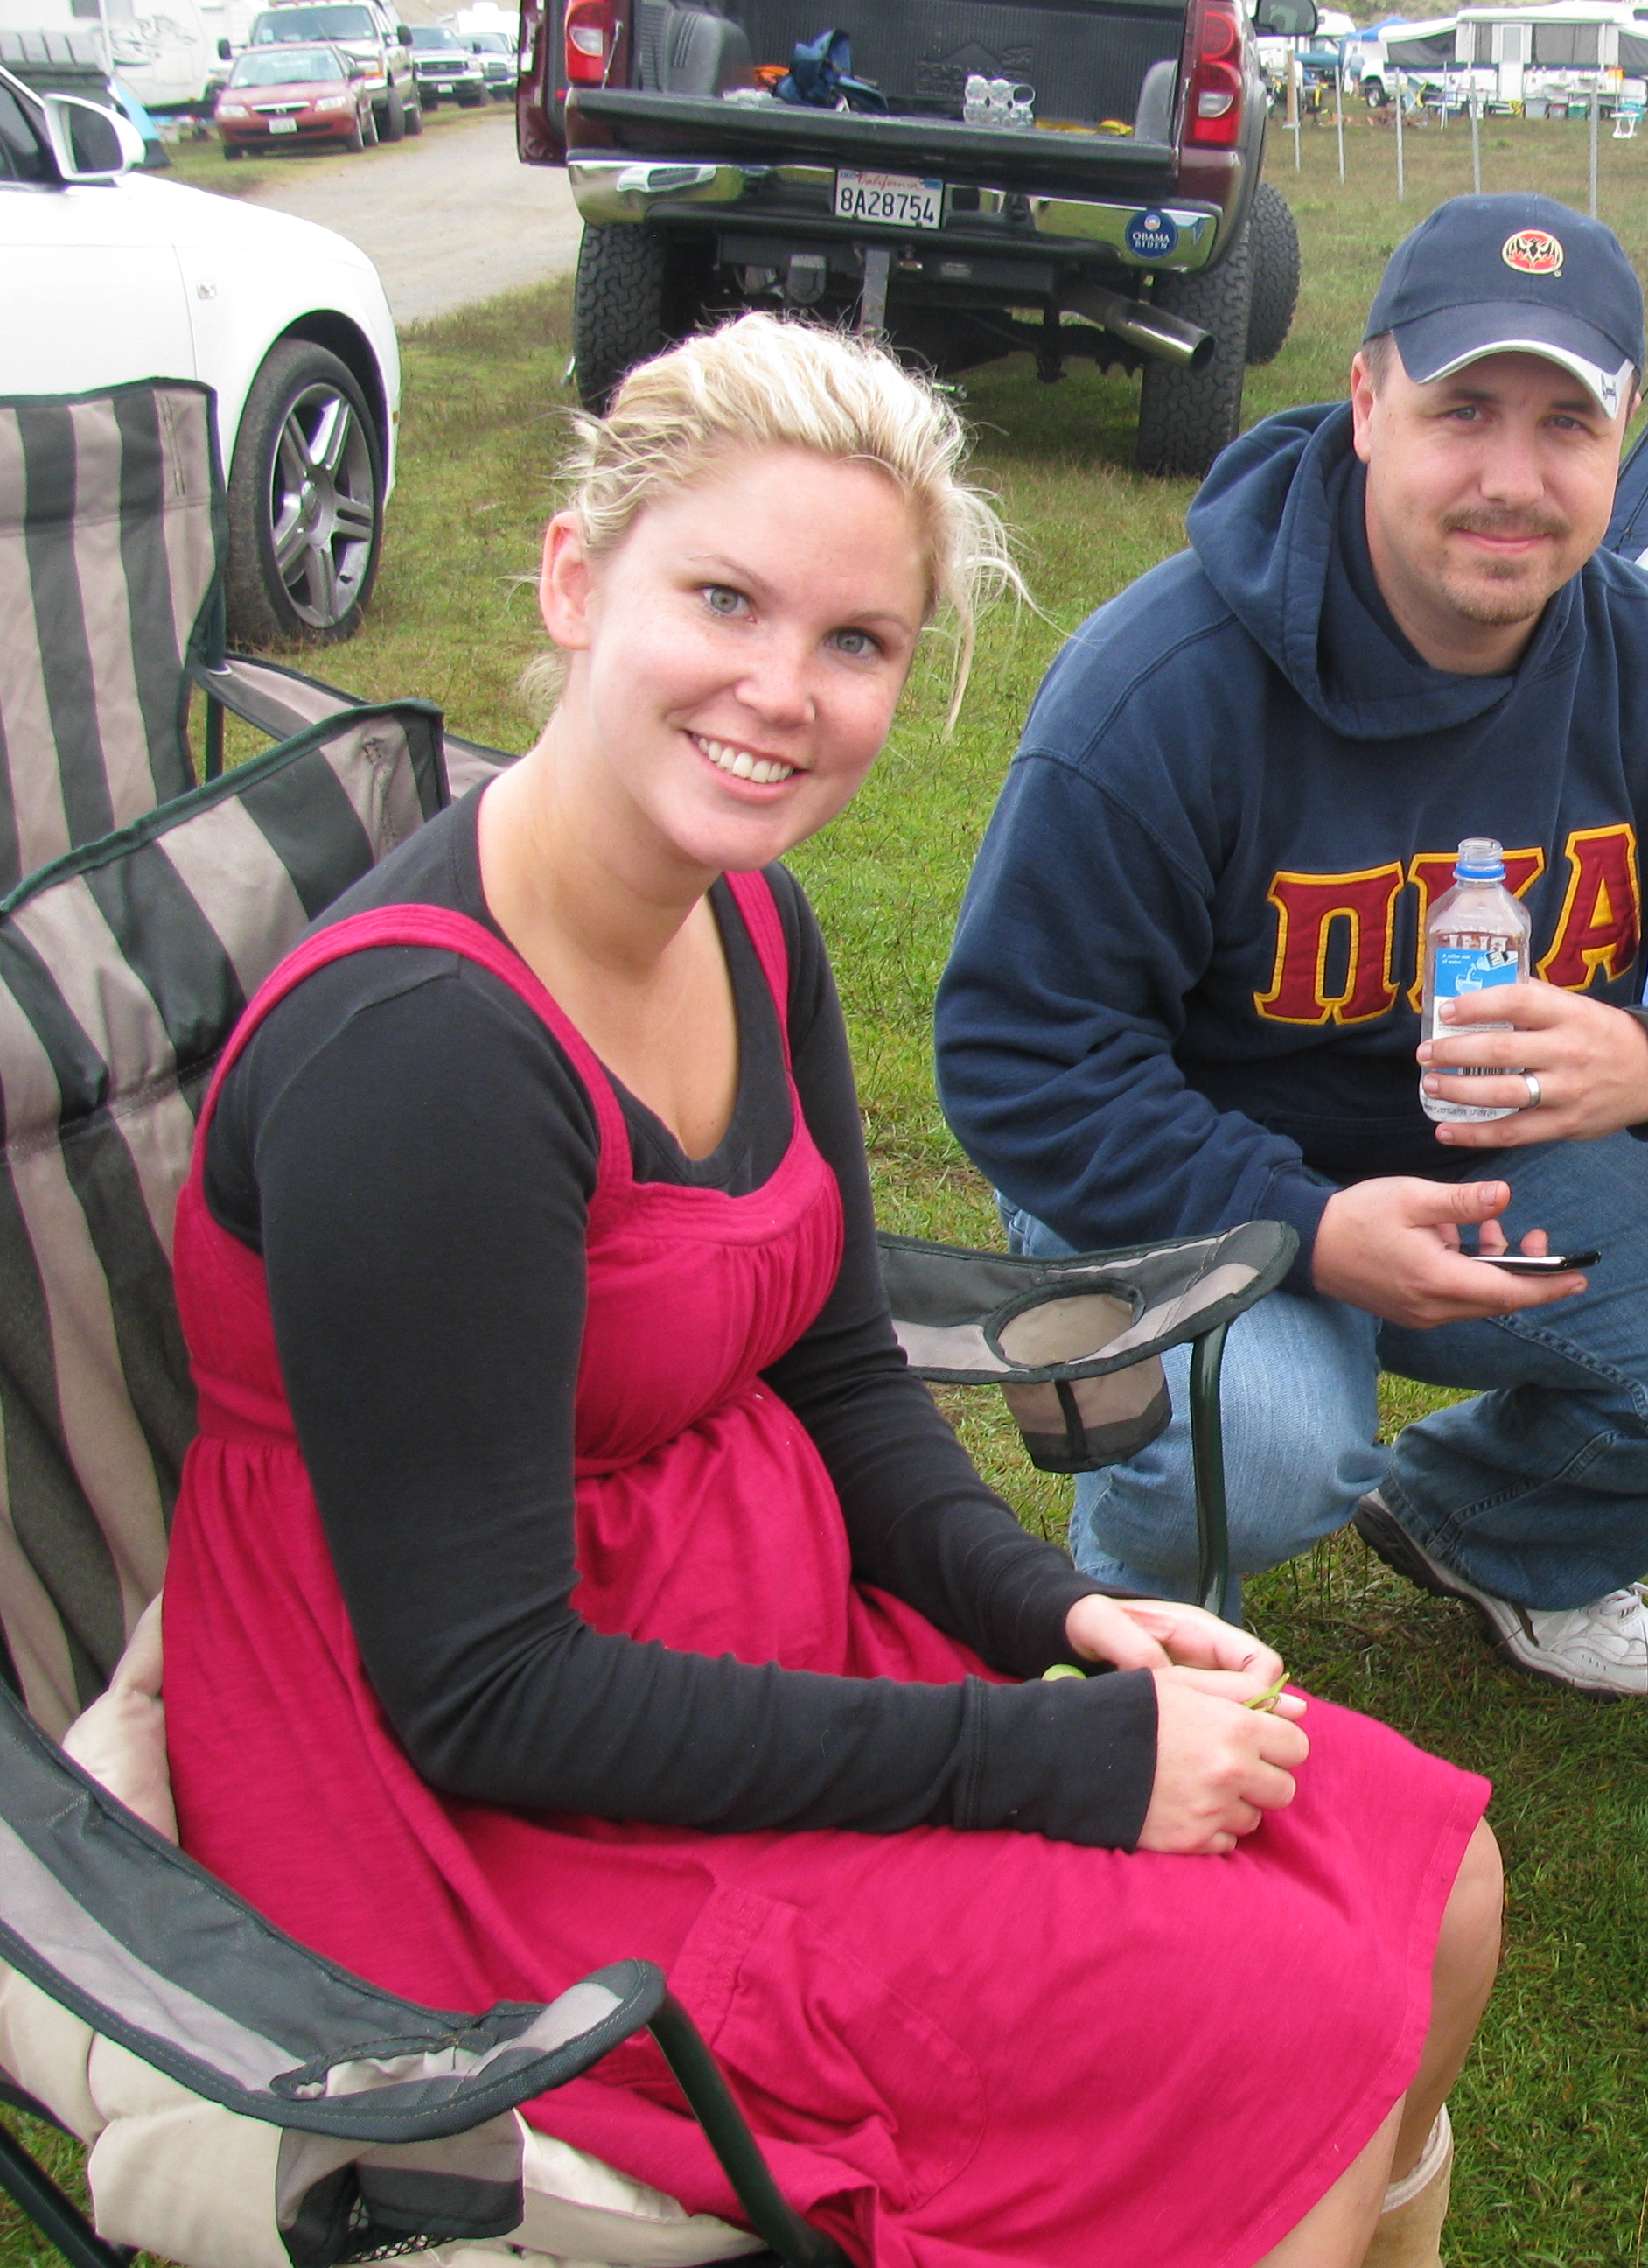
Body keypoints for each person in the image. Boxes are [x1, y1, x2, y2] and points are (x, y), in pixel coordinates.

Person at [160, 312, 1499, 2268]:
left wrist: (1054, 1610)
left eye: (856, 640)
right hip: (493, 1816)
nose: (781, 693)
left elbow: (843, 1367)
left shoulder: (749, 919)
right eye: (723, 600)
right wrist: (1045, 1757)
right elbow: (484, 1694)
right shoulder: (428, 1059)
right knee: (1271, 2018)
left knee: (1439, 1873)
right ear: (574, 579)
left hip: (758, 1653)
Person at [935, 193, 1648, 1697]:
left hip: (1499, 1162)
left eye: (1566, 424)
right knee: (1268, 1448)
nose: (1512, 480)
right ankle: (1134, 1619)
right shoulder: (1163, 686)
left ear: (1624, 437)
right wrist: (1309, 1230)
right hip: (1192, 1175)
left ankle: (1485, 1532)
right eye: (1463, 412)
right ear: (1368, 404)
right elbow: (1022, 1056)